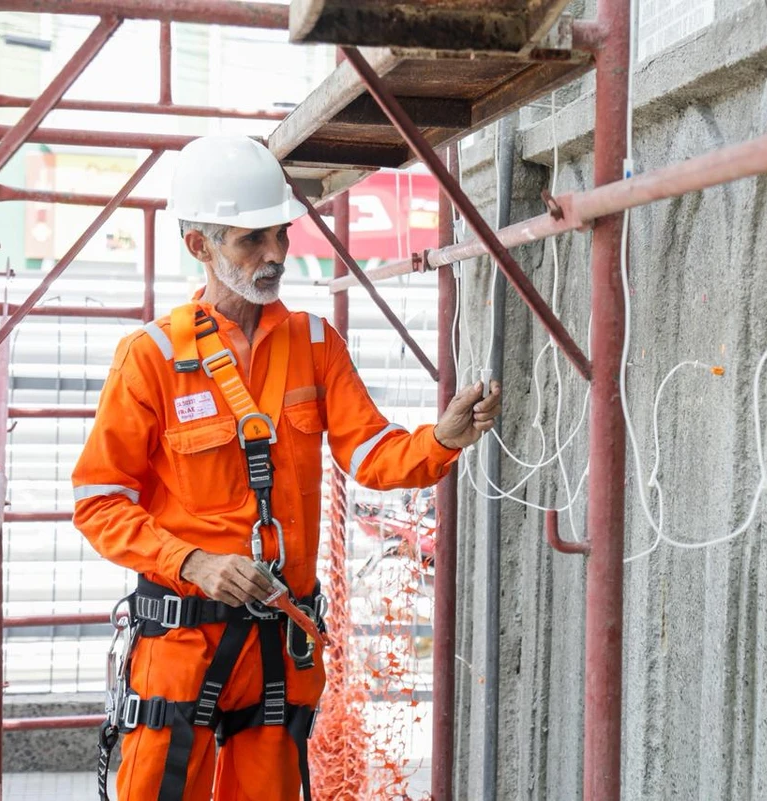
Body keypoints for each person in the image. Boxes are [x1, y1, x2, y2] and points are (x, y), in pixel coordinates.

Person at [72, 135, 501, 801]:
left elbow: (369, 452)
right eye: (251, 240)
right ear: (200, 247)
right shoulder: (151, 358)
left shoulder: (314, 344)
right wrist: (196, 563)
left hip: (276, 648)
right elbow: (98, 501)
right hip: (181, 640)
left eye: (280, 233)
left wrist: (440, 439)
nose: (274, 254)